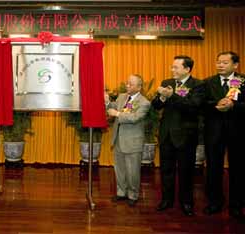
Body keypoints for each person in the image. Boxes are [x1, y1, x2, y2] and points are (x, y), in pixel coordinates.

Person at [151, 55, 204, 216]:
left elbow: (193, 107)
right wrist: (161, 96)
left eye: (176, 67)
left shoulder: (198, 85)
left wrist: (171, 95)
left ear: (187, 69)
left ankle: (186, 203)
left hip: (186, 135)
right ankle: (166, 200)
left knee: (186, 171)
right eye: (172, 67)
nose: (172, 70)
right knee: (166, 170)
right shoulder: (167, 83)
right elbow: (156, 106)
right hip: (167, 134)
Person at [203, 51, 245, 222]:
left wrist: (233, 106)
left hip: (238, 133)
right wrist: (216, 104)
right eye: (218, 62)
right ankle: (214, 202)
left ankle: (236, 205)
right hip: (214, 133)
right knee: (213, 168)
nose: (220, 65)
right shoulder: (208, 82)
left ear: (235, 65)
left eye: (225, 62)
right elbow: (201, 104)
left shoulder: (242, 81)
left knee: (238, 169)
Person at [105, 74, 150, 207]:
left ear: (139, 87)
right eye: (127, 83)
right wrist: (107, 102)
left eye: (131, 84)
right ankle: (121, 192)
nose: (127, 85)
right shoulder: (121, 97)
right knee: (120, 169)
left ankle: (133, 195)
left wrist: (118, 114)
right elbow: (112, 107)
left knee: (133, 171)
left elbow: (135, 117)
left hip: (133, 142)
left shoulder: (144, 102)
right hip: (118, 139)